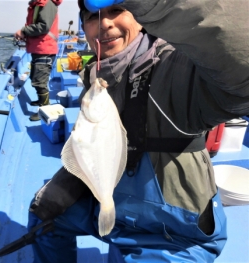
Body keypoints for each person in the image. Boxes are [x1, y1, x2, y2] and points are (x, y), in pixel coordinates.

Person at [26, 0, 249, 262]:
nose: (105, 23)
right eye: (93, 17)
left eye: (117, 10)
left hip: (172, 232)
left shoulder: (175, 66)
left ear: (140, 16)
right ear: (84, 27)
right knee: (44, 213)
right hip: (111, 203)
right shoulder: (95, 76)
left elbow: (240, 81)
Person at [14, 0, 62, 121]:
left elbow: (43, 26)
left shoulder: (47, 3)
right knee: (35, 78)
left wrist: (24, 31)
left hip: (44, 49)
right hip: (39, 48)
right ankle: (41, 100)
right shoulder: (38, 4)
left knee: (39, 81)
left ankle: (45, 109)